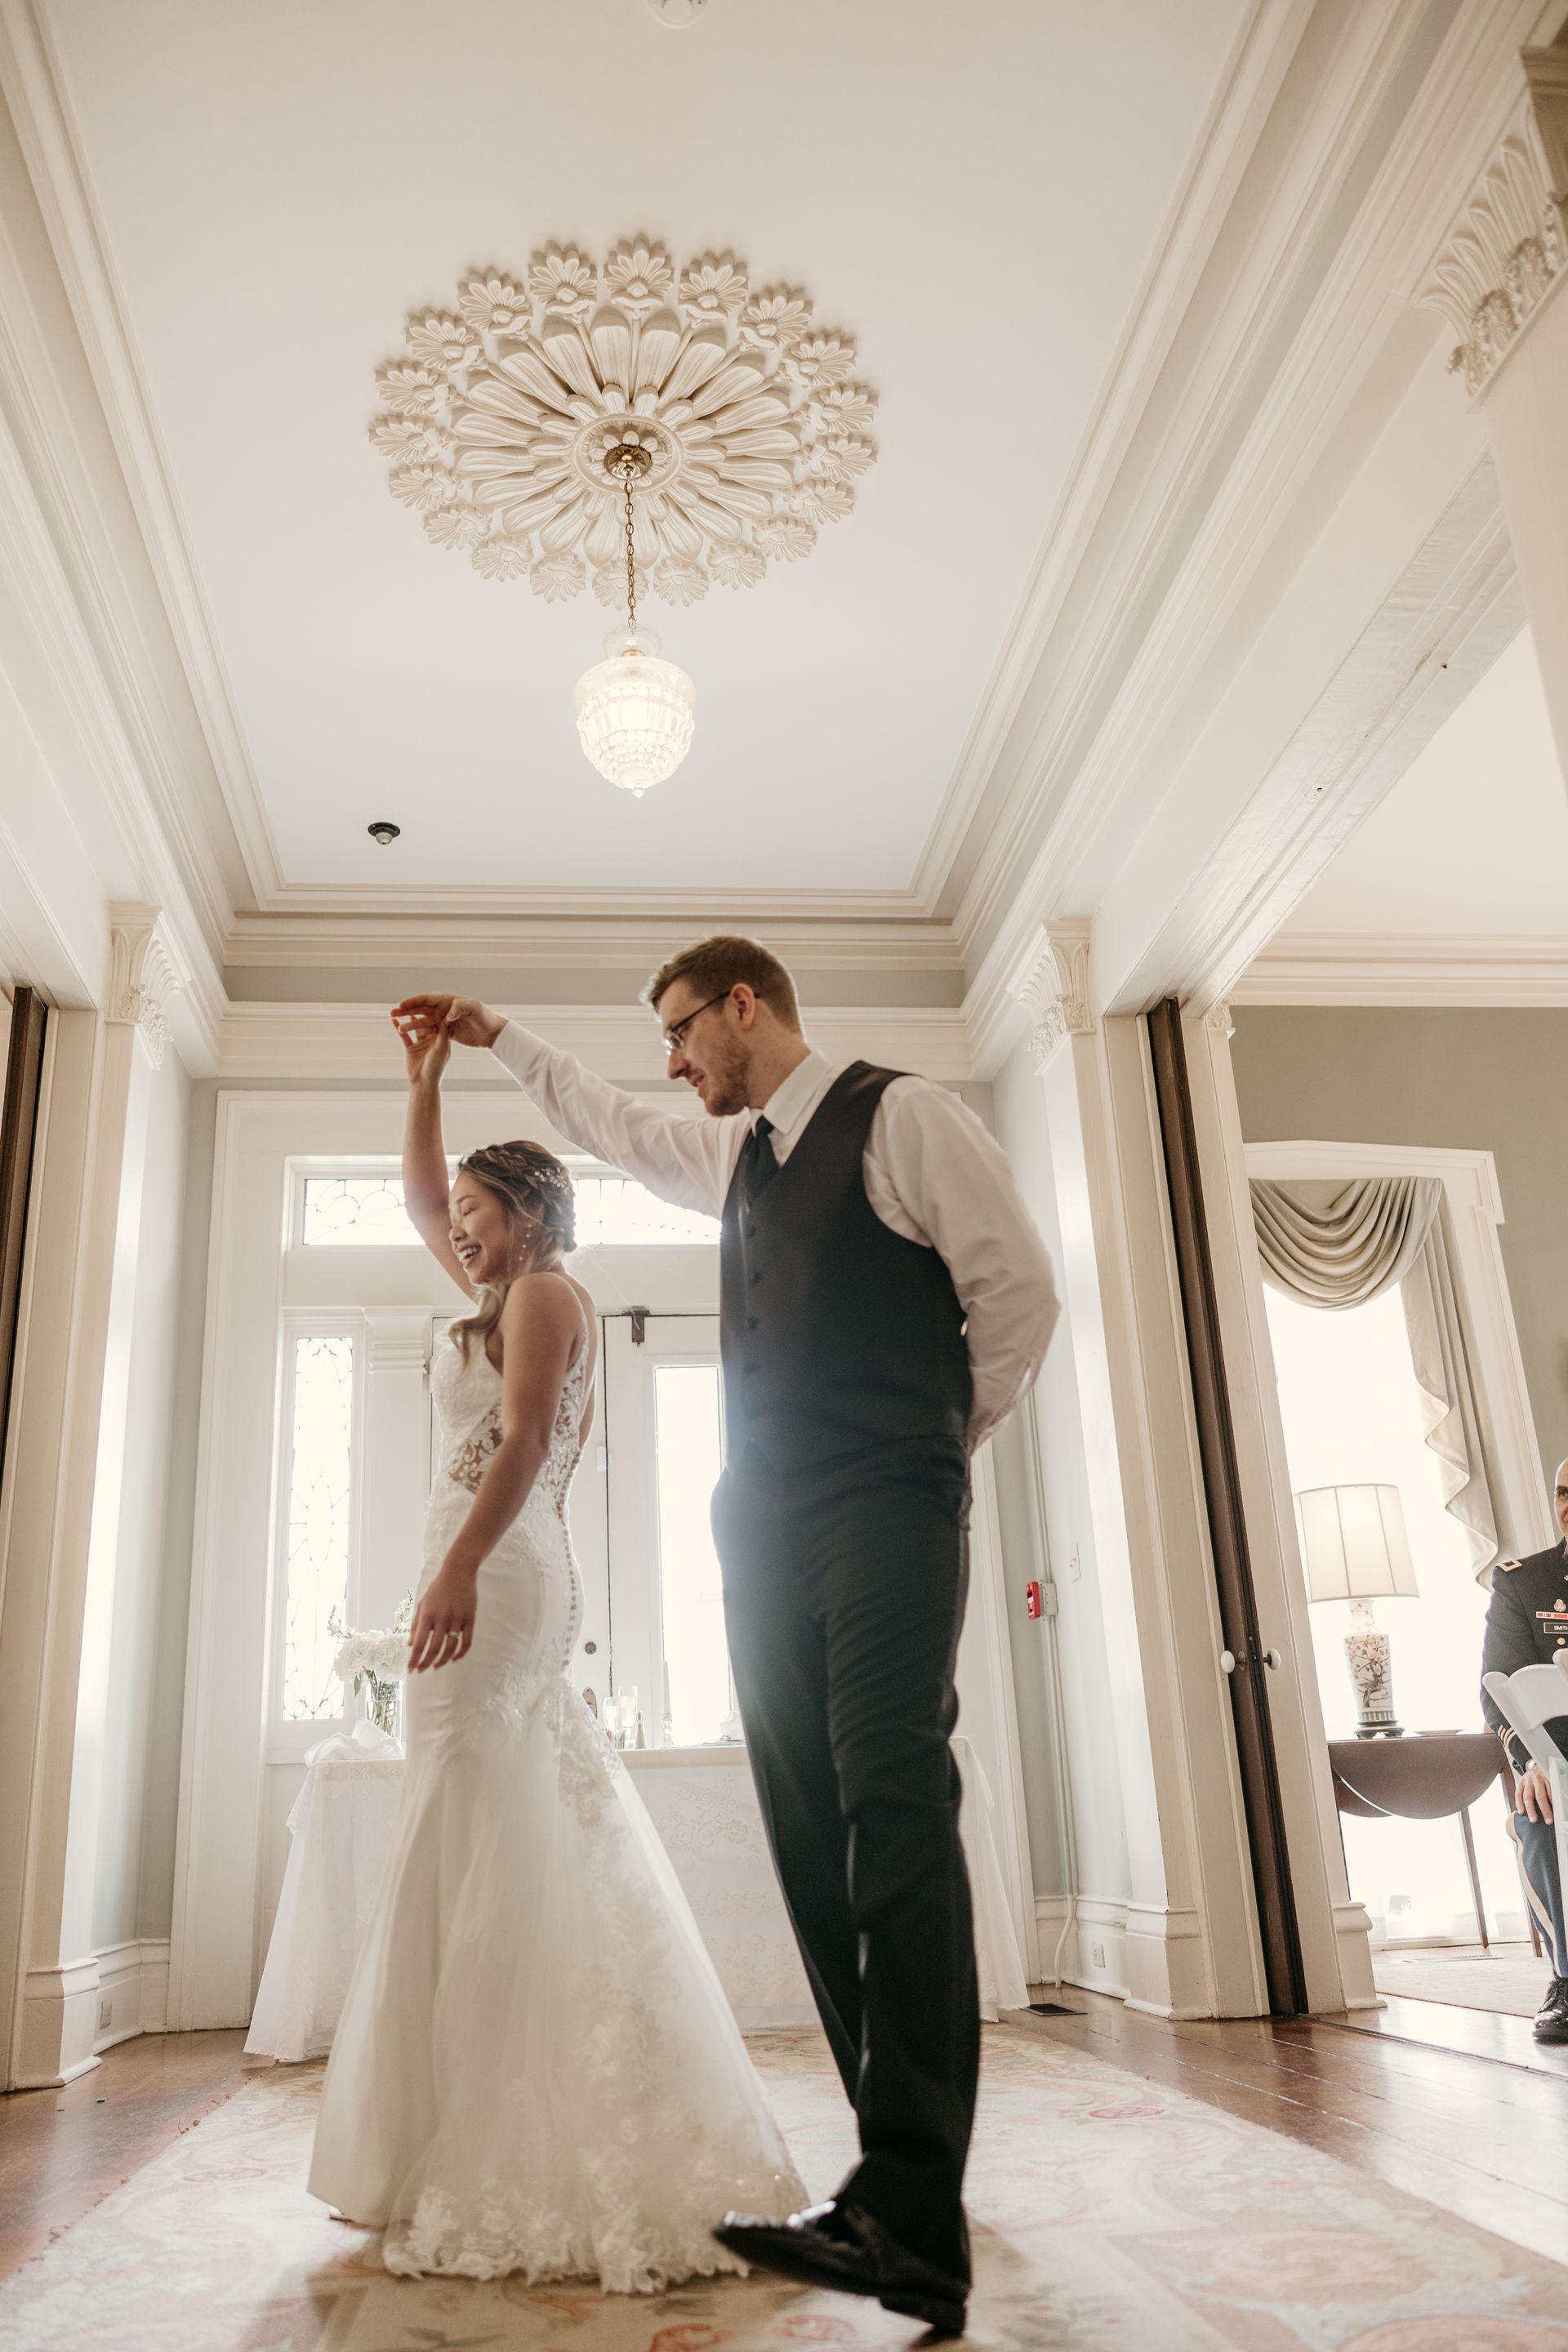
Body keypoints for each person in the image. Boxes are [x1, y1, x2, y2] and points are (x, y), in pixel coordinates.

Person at [392, 937, 1060, 2338]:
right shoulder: (733, 1158)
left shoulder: (902, 1115)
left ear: (743, 1006)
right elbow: (607, 1123)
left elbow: (1018, 1297)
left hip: (887, 1499)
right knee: (808, 1827)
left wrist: (932, 1446)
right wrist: (499, 1034)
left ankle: (915, 2206)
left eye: (683, 1032)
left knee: (892, 1797)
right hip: (759, 1523)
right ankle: (884, 2197)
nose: (674, 1062)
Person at [308, 1009, 804, 2286]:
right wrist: (426, 1081)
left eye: (480, 1213)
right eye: (462, 1217)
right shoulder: (504, 1284)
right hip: (490, 1562)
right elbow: (419, 1198)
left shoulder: (541, 1294)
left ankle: (495, 2128)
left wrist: (453, 1573)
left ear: (528, 1215)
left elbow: (526, 1439)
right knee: (478, 1818)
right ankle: (440, 2122)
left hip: (501, 1570)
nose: (458, 1230)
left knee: (468, 1816)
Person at [1480, 1458, 1568, 2046]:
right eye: (1563, 1493)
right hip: (1559, 1763)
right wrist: (1532, 1763)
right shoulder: (1523, 1582)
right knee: (1539, 1810)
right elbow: (1499, 1688)